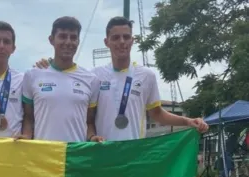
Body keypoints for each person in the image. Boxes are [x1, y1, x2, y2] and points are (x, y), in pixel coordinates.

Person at [35, 16, 209, 141]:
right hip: (101, 152)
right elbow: (88, 118)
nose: (121, 42)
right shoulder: (93, 76)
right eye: (116, 37)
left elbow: (157, 114)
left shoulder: (146, 76)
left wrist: (187, 121)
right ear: (106, 41)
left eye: (126, 37)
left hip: (132, 154)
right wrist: (47, 66)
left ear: (132, 41)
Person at [18, 16, 103, 142]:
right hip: (43, 155)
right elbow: (28, 117)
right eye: (62, 36)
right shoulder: (32, 75)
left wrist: (92, 137)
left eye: (73, 38)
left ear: (78, 41)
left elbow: (89, 121)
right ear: (51, 40)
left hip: (75, 156)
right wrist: (26, 136)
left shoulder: (92, 80)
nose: (68, 42)